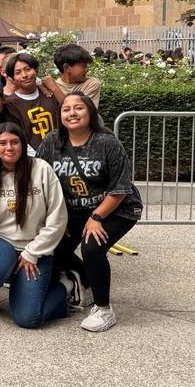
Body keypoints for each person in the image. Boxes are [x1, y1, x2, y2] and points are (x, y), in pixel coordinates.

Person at [37, 92, 143, 332]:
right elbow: (41, 181)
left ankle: (104, 309)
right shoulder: (51, 142)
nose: (72, 113)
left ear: (90, 113)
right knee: (54, 248)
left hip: (116, 209)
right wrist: (54, 218)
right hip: (73, 211)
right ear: (60, 115)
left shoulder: (107, 142)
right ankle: (83, 281)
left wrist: (96, 218)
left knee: (92, 247)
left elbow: (120, 188)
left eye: (79, 108)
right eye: (66, 109)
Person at [0, 123, 69, 328]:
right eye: (2, 143)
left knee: (28, 319)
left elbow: (58, 217)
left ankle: (66, 286)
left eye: (14, 142)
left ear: (23, 144)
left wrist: (33, 252)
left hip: (35, 246)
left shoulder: (41, 169)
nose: (9, 148)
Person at [3, 52, 62, 151]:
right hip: (33, 159)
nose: (24, 75)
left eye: (27, 69)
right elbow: (16, 136)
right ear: (11, 78)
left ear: (37, 71)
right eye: (18, 72)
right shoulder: (10, 104)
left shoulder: (49, 94)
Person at [50, 43, 102, 108]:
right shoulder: (48, 88)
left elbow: (81, 112)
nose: (87, 69)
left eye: (87, 65)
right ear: (66, 68)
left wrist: (55, 89)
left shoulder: (91, 84)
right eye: (83, 66)